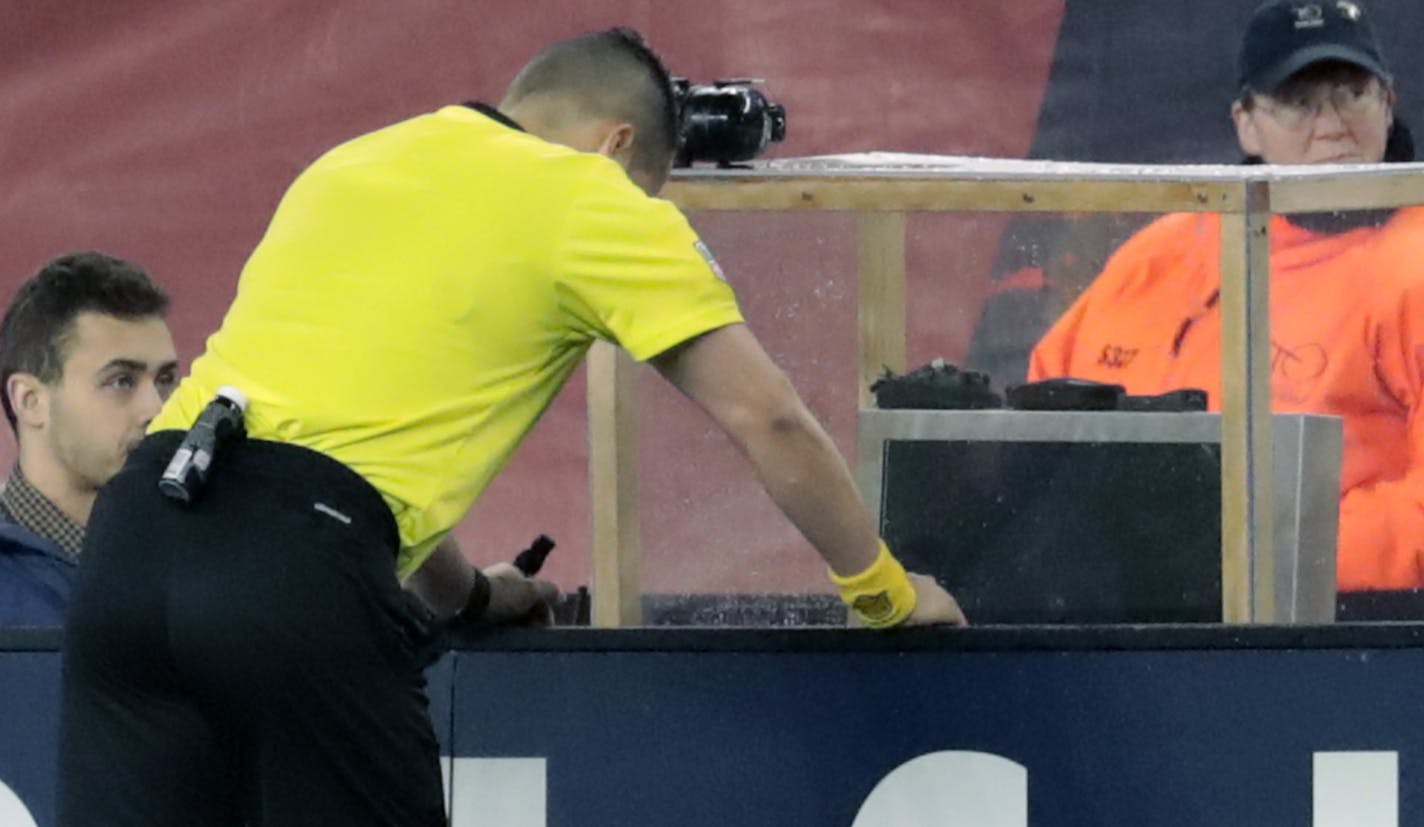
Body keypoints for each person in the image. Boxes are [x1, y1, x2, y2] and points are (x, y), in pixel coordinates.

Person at [57, 27, 966, 827]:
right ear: (614, 146)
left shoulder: (356, 161)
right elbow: (767, 414)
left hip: (132, 547)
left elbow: (331, 451)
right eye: (649, 186)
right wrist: (884, 590)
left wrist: (470, 600)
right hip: (300, 574)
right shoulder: (588, 194)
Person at [1028, 0, 1424, 592]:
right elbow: (1037, 426)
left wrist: (1248, 559)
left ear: (1388, 102)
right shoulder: (1161, 251)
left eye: (1352, 92)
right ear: (1245, 122)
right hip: (1121, 610)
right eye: (1299, 101)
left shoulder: (1411, 264)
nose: (1333, 122)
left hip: (1337, 630)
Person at [0, 251, 176, 625]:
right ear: (30, 402)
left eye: (164, 380)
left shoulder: (208, 566)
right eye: (121, 381)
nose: (156, 408)